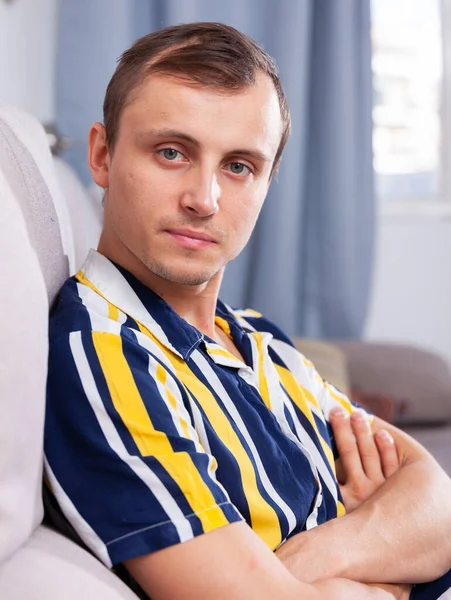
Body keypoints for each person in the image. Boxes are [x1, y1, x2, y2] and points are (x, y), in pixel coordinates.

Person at [44, 22, 451, 600]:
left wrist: (336, 549)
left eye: (238, 166)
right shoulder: (105, 354)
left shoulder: (260, 338)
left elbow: (438, 500)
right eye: (171, 152)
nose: (204, 199)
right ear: (102, 155)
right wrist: (392, 571)